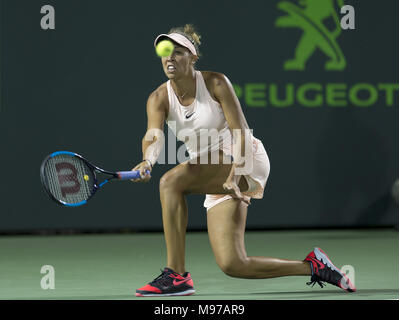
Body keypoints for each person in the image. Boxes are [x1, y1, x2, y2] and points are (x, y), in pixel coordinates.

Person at [132, 24, 356, 297]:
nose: (170, 58)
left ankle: (176, 275)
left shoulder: (215, 82)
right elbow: (153, 136)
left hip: (244, 158)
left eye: (178, 52)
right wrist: (147, 161)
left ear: (193, 58)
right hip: (211, 172)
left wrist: (235, 172)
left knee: (170, 183)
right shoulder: (158, 98)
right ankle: (313, 266)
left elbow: (241, 132)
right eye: (166, 52)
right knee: (233, 263)